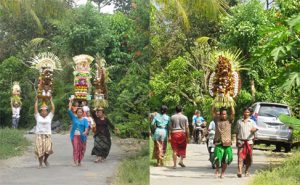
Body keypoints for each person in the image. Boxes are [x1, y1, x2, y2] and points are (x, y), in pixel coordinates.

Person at [236, 107, 258, 177]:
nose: (246, 113)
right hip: (241, 142)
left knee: (248, 157)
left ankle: (247, 170)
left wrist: (254, 130)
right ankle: (239, 171)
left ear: (250, 113)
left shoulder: (252, 122)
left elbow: (256, 128)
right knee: (240, 157)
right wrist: (236, 141)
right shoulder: (239, 122)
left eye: (248, 112)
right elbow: (236, 132)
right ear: (243, 113)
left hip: (249, 142)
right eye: (245, 112)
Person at [34, 96, 55, 168]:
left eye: (45, 111)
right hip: (39, 135)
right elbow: (35, 109)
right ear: (40, 112)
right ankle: (40, 163)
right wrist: (36, 100)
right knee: (40, 150)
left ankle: (45, 160)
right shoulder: (38, 116)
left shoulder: (49, 116)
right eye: (42, 111)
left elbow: (53, 109)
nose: (43, 112)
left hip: (47, 135)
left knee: (48, 149)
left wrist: (51, 100)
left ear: (47, 111)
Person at [213, 107, 234, 178]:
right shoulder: (217, 121)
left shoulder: (229, 121)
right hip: (218, 143)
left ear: (227, 115)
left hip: (227, 144)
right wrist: (215, 103)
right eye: (222, 114)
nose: (224, 116)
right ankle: (217, 170)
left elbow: (233, 113)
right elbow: (213, 112)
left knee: (226, 159)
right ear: (220, 115)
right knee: (217, 158)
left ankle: (223, 173)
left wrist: (231, 104)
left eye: (225, 114)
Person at [68, 98, 89, 166]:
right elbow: (69, 110)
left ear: (83, 113)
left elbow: (86, 127)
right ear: (76, 113)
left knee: (82, 149)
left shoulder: (85, 120)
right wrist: (70, 102)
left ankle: (79, 160)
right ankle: (76, 161)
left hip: (82, 136)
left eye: (81, 112)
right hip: (74, 136)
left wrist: (85, 132)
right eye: (78, 112)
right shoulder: (74, 118)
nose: (79, 113)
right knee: (76, 148)